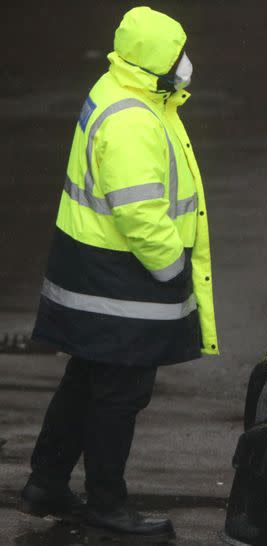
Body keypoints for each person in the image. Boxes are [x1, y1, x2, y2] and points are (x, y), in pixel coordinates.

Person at [19, 6, 219, 539]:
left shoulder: (117, 88)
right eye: (177, 55)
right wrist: (172, 266)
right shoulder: (133, 117)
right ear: (154, 60)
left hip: (91, 270)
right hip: (124, 278)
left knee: (86, 380)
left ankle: (47, 482)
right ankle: (107, 501)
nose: (185, 63)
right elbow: (139, 210)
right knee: (120, 393)